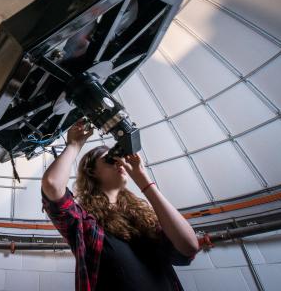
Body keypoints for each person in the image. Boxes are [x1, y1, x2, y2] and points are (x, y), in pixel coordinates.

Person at [41, 119, 200, 290]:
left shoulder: (142, 220)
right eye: (110, 159)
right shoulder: (85, 223)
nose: (119, 162)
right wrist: (74, 145)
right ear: (91, 171)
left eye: (120, 157)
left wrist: (143, 180)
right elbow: (52, 185)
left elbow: (189, 247)